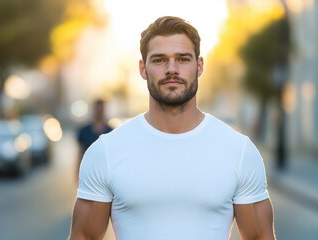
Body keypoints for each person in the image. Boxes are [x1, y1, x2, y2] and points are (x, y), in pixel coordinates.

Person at [69, 16, 275, 240]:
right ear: (143, 68)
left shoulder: (239, 151)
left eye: (183, 59)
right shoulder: (106, 152)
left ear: (199, 66)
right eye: (159, 60)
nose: (172, 69)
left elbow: (260, 237)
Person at [75, 99, 113, 177]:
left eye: (101, 109)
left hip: (105, 174)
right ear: (94, 110)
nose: (99, 111)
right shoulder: (84, 131)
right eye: (97, 109)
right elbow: (80, 152)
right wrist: (77, 172)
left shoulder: (111, 131)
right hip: (88, 172)